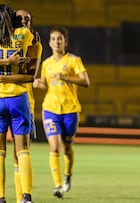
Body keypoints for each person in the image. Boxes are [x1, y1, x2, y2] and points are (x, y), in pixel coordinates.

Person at [0, 8, 42, 203]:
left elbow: (30, 76)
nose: (24, 22)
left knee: (6, 153)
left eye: (27, 19)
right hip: (10, 99)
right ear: (13, 21)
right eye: (20, 19)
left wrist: (1, 75)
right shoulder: (27, 38)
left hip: (10, 97)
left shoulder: (28, 40)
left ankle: (12, 197)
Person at [33, 27, 90, 198]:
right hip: (50, 109)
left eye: (60, 39)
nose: (57, 42)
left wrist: (65, 77)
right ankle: (57, 185)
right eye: (53, 39)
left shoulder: (74, 60)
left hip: (70, 110)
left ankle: (68, 176)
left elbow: (86, 82)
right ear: (49, 42)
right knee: (55, 146)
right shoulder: (46, 64)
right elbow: (45, 83)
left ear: (65, 42)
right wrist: (38, 84)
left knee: (66, 148)